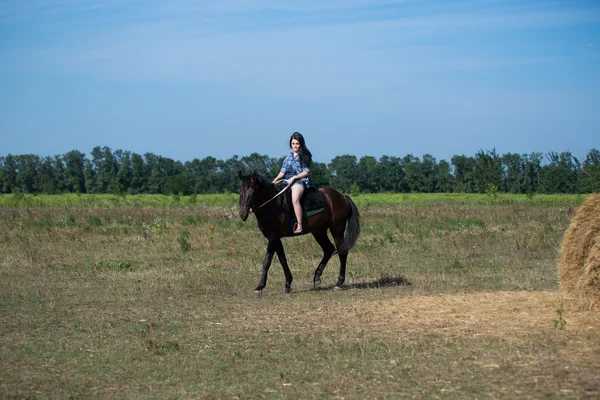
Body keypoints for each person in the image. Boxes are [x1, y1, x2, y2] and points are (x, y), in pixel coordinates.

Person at [272, 132, 312, 234]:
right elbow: (282, 172)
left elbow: (306, 172)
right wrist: (275, 180)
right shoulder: (288, 158)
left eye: (297, 143)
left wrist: (294, 177)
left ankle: (299, 225)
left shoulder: (303, 156)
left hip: (299, 180)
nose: (295, 146)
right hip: (286, 180)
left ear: (301, 144)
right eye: (293, 143)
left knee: (295, 199)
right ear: (291, 144)